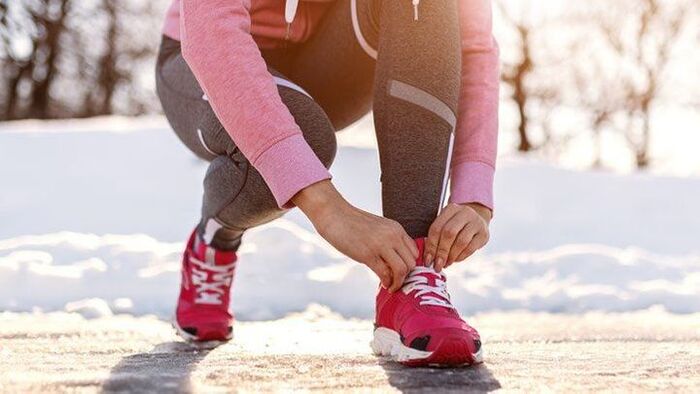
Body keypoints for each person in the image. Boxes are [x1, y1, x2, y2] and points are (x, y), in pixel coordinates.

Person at [156, 0, 498, 367]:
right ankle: (215, 239)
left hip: (327, 55)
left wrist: (475, 193)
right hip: (200, 54)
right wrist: (328, 209)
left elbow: (473, 45)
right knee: (303, 140)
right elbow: (212, 28)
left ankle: (411, 277)